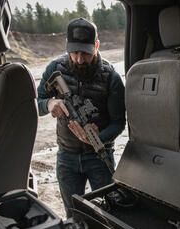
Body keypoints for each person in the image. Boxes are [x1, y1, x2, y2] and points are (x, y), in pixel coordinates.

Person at [37, 18, 125, 218]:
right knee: (74, 215)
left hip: (99, 158)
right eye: (74, 52)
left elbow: (119, 122)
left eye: (85, 53)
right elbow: (36, 101)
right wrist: (49, 104)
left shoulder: (111, 77)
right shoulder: (55, 69)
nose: (78, 59)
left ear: (96, 45)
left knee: (109, 214)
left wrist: (99, 137)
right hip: (66, 158)